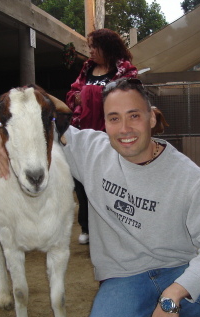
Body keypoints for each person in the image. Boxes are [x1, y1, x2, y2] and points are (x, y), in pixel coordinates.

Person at [0, 78, 200, 317]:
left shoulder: (189, 177)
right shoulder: (90, 151)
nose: (124, 129)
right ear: (105, 123)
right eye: (114, 118)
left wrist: (175, 293)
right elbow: (31, 120)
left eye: (134, 116)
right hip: (123, 279)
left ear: (152, 118)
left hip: (180, 269)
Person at [66, 28, 138, 245]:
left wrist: (93, 94)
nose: (90, 52)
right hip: (83, 137)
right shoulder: (87, 69)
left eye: (94, 47)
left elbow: (131, 95)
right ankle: (87, 228)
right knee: (82, 183)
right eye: (89, 47)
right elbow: (71, 93)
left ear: (107, 47)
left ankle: (115, 227)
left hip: (112, 138)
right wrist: (78, 98)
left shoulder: (125, 69)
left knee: (112, 183)